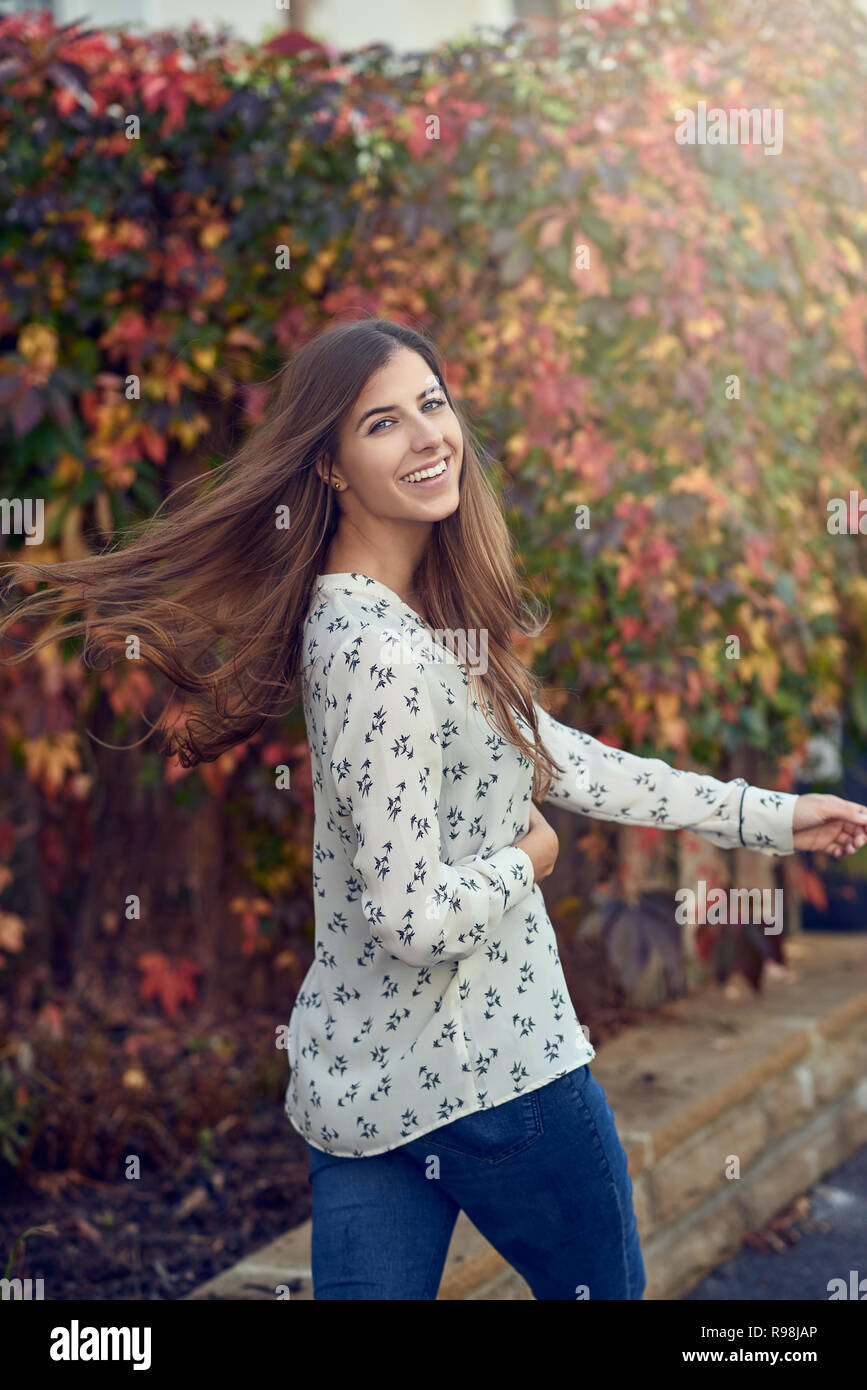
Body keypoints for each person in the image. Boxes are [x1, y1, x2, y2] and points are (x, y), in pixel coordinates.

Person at [3, 316, 866, 1301]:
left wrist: (773, 818)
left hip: (367, 1098)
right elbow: (412, 919)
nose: (428, 436)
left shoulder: (407, 621)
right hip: (506, 1086)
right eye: (383, 423)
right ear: (327, 465)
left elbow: (565, 760)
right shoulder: (379, 648)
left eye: (433, 403)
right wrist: (528, 861)